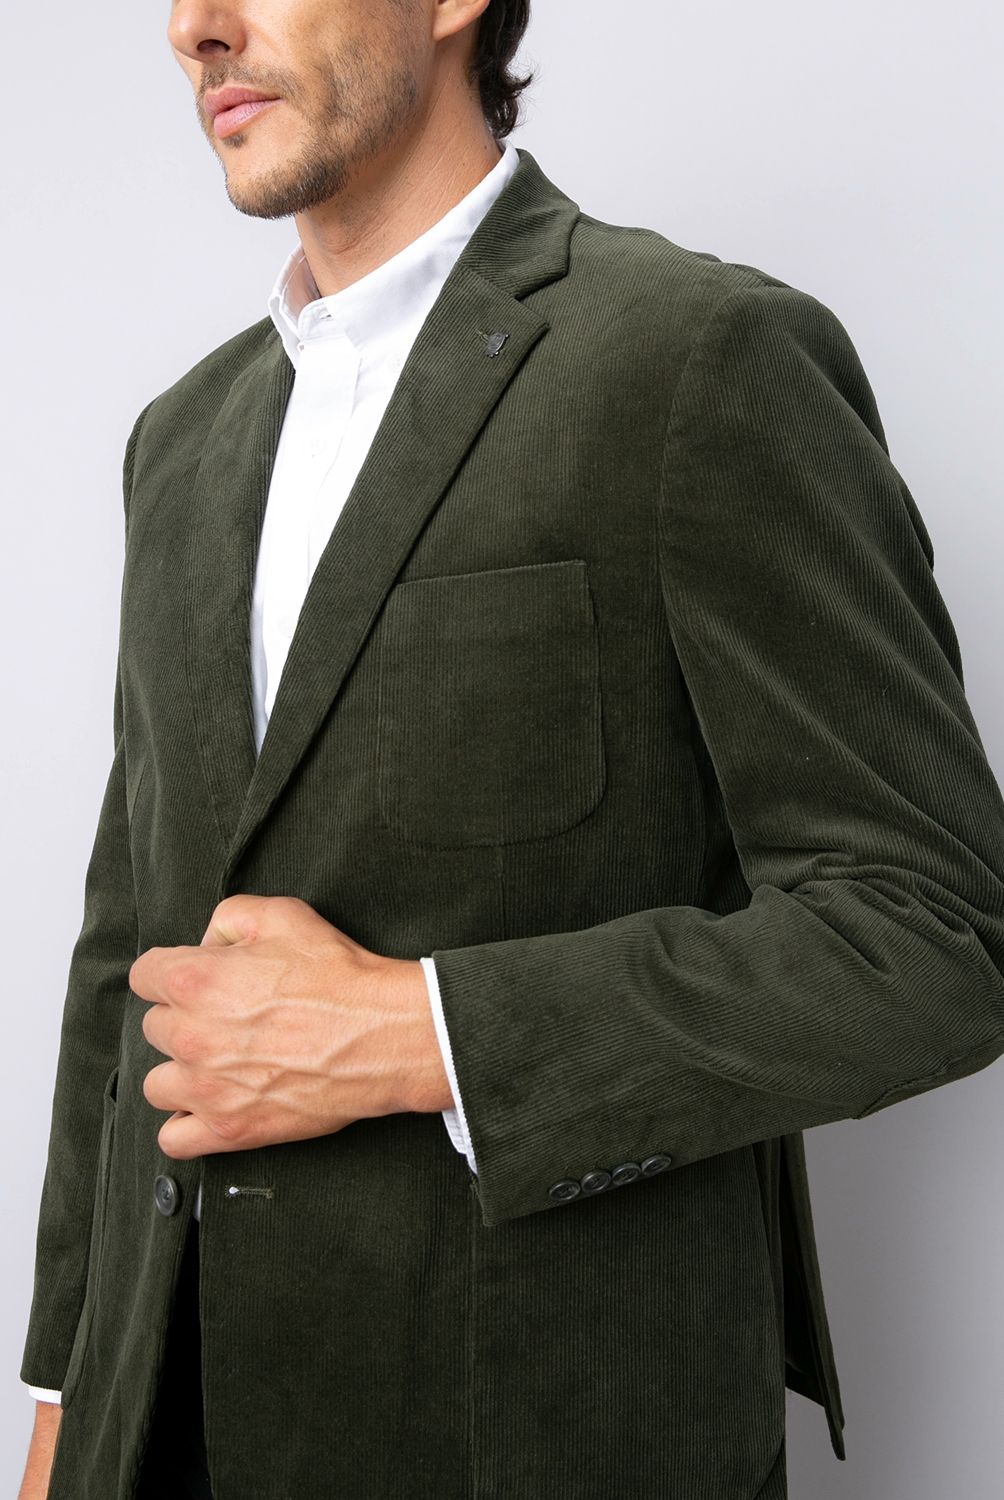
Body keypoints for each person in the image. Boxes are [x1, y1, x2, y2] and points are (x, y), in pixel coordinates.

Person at [17, 1, 1004, 1497]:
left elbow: (934, 932)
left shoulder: (696, 357)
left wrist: (423, 1035)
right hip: (164, 1436)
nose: (193, 28)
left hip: (545, 1435)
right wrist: (62, 1401)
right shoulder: (183, 440)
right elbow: (127, 963)